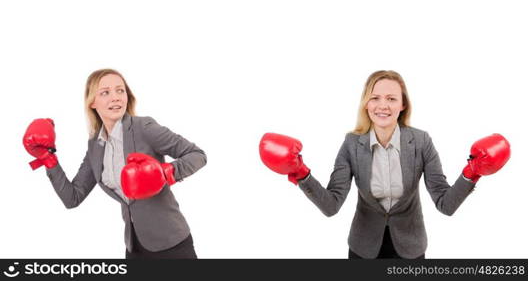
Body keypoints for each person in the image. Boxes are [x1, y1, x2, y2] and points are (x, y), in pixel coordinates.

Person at [259, 70, 510, 259]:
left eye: (391, 98)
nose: (383, 105)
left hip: (410, 250)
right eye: (375, 98)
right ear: (366, 104)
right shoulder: (351, 144)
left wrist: (472, 173)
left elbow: (446, 204)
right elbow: (331, 205)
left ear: (402, 105)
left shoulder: (421, 142)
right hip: (363, 248)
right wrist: (300, 174)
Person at [23, 68, 207, 259]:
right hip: (134, 247)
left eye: (120, 90)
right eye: (105, 92)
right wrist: (48, 160)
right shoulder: (96, 145)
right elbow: (72, 198)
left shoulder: (144, 127)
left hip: (172, 244)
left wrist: (166, 173)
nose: (116, 97)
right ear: (92, 102)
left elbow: (197, 154)